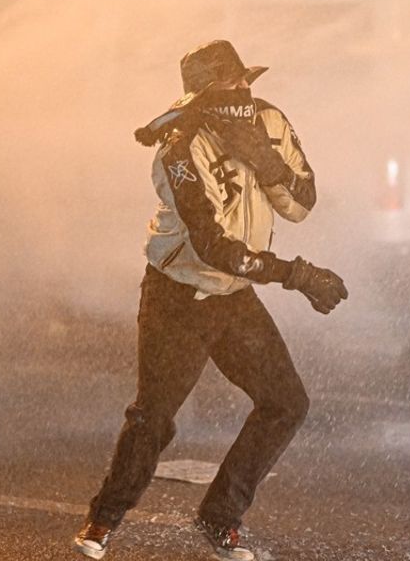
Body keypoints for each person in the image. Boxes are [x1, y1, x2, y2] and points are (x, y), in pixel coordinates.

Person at [74, 40, 348, 560]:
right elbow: (214, 248)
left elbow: (302, 205)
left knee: (286, 403)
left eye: (247, 81)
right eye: (231, 84)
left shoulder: (269, 122)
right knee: (154, 417)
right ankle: (102, 520)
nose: (244, 91)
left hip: (235, 295)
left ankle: (219, 517)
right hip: (181, 294)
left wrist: (267, 163)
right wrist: (298, 275)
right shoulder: (179, 147)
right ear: (203, 93)